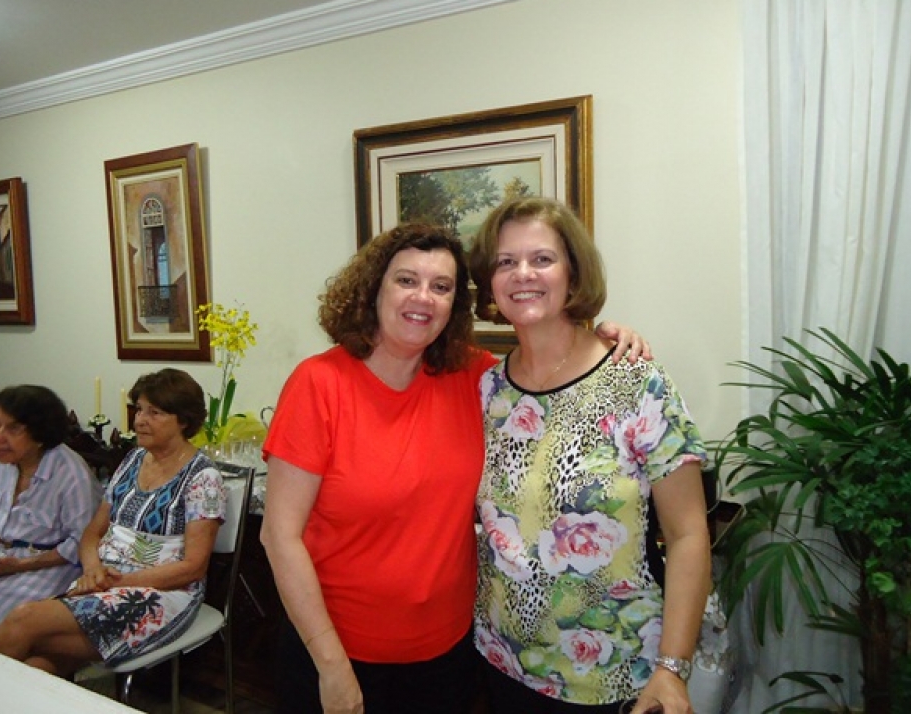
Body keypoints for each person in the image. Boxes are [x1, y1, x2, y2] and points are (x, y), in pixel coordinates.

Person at [260, 222, 649, 714]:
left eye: (441, 287)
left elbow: (548, 366)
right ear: (373, 289)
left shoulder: (473, 377)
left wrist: (604, 338)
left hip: (448, 655)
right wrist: (331, 665)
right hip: (337, 651)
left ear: (454, 305)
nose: (423, 298)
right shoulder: (320, 384)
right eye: (406, 280)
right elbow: (279, 536)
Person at [467, 197, 711, 714]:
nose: (522, 274)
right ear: (490, 282)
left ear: (573, 274)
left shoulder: (637, 382)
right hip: (499, 664)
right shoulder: (487, 390)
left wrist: (672, 669)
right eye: (506, 262)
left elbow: (689, 535)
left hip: (615, 675)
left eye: (542, 258)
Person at [0, 368, 227, 676]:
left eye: (154, 412)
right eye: (139, 409)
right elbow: (92, 533)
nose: (140, 420)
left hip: (162, 594)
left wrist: (114, 582)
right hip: (103, 581)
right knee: (37, 663)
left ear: (184, 420)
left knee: (24, 620)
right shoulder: (133, 460)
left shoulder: (203, 478)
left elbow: (193, 567)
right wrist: (93, 570)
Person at [0, 385, 103, 644]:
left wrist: (19, 565)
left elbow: (82, 543)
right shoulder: (0, 462)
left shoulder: (72, 475)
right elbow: (7, 518)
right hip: (4, 559)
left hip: (55, 567)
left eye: (13, 429)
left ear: (41, 434)